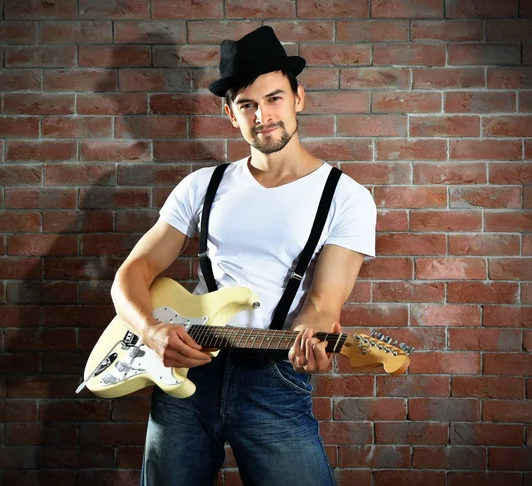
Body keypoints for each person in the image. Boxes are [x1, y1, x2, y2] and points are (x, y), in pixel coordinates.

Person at [110, 26, 377, 486]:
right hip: (186, 377)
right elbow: (131, 274)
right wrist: (151, 330)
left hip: (273, 385)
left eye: (273, 98)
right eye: (248, 104)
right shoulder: (201, 186)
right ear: (230, 114)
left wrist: (308, 345)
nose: (263, 115)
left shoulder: (345, 198)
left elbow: (322, 304)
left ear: (299, 98)